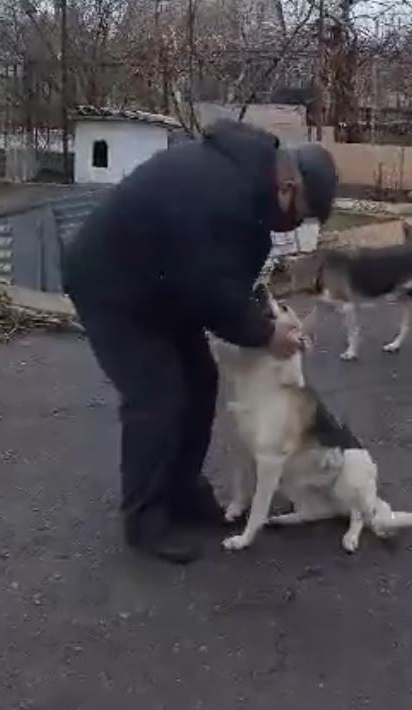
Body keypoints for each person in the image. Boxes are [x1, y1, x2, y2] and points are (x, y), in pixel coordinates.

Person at [62, 119, 338, 564]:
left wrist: (262, 317)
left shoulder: (247, 185)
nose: (293, 224)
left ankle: (184, 494)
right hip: (113, 287)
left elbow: (227, 281)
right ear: (287, 184)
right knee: (157, 397)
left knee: (199, 381)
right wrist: (267, 333)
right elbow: (208, 288)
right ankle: (145, 522)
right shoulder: (221, 193)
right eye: (301, 212)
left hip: (160, 284)